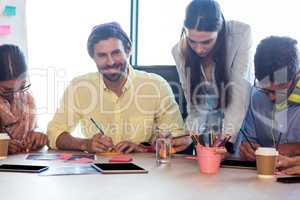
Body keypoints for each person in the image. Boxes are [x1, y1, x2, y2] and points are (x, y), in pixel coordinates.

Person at [47, 22, 191, 154]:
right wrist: (86, 144)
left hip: (146, 174)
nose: (110, 62)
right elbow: (54, 134)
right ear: (93, 57)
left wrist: (143, 148)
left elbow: (178, 139)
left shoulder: (157, 86)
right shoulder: (79, 87)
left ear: (128, 51)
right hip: (97, 176)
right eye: (102, 55)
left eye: (116, 53)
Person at [172, 0, 252, 150]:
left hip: (241, 120)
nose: (199, 49)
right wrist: (191, 136)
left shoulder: (240, 35)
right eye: (192, 41)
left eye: (207, 42)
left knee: (236, 161)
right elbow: (195, 105)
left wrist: (225, 141)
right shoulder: (179, 51)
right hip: (209, 126)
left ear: (220, 30)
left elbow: (239, 94)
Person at [239, 36, 300, 160]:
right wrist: (246, 147)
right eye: (266, 90)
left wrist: (295, 148)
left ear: (297, 73)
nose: (272, 98)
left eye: (280, 90)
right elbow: (249, 139)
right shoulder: (256, 98)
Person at [0, 44, 48, 154]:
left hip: (24, 165)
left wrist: (37, 134)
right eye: (6, 89)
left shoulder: (27, 98)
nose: (15, 94)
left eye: (21, 86)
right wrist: (2, 147)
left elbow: (35, 128)